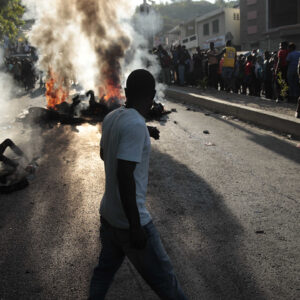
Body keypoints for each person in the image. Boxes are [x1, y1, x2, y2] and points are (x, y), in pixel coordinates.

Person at [89, 69, 187, 300]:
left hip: (109, 216)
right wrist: (135, 226)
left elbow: (105, 154)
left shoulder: (112, 117)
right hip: (129, 222)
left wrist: (145, 132)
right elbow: (125, 175)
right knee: (166, 283)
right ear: (152, 95)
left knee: (103, 274)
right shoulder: (134, 125)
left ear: (126, 92)